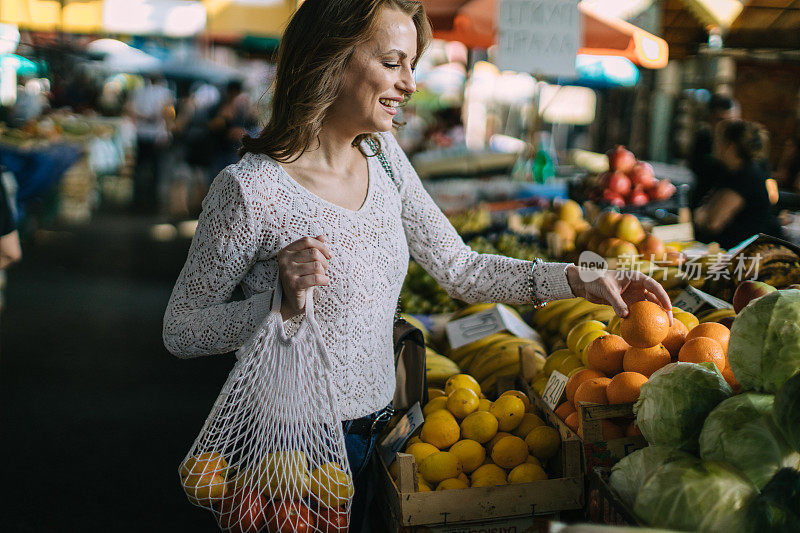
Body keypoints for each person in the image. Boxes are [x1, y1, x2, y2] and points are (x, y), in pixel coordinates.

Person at [162, 0, 672, 529]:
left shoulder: (383, 157)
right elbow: (181, 330)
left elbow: (460, 268)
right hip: (290, 449)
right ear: (329, 59)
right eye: (392, 62)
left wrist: (574, 278)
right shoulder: (250, 189)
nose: (409, 83)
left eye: (411, 64)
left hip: (385, 432)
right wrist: (276, 304)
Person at [694, 119, 784, 249]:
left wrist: (701, 216)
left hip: (747, 258)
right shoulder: (732, 172)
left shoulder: (746, 176)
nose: (713, 144)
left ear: (730, 146)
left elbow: (712, 223)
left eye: (718, 140)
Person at [127, 74, 174, 213]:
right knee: (156, 171)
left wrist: (143, 117)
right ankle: (152, 202)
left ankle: (138, 201)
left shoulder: (139, 92)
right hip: (157, 135)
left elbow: (130, 109)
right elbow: (169, 113)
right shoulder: (165, 93)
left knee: (139, 169)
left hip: (141, 134)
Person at [688, 94, 741, 208]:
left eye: (731, 121)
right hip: (704, 201)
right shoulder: (703, 140)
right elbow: (697, 168)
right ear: (710, 119)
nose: (727, 127)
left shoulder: (744, 147)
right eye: (721, 120)